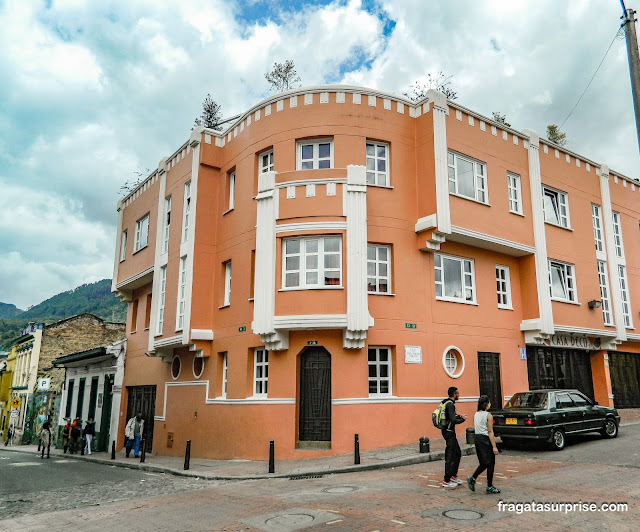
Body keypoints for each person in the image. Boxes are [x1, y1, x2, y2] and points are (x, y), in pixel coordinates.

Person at [467, 395, 501, 494]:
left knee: (486, 462)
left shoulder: (476, 414)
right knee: (488, 463)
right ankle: (474, 478)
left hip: (478, 439)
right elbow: (490, 431)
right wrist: (494, 446)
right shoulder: (488, 415)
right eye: (489, 402)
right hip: (485, 439)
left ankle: (488, 485)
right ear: (486, 404)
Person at [441, 386, 467, 488]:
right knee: (451, 455)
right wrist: (462, 420)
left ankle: (453, 476)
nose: (459, 395)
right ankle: (446, 480)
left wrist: (459, 416)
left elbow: (451, 416)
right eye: (458, 393)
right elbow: (452, 419)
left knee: (457, 453)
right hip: (449, 432)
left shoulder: (446, 403)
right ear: (454, 394)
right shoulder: (450, 405)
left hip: (448, 431)